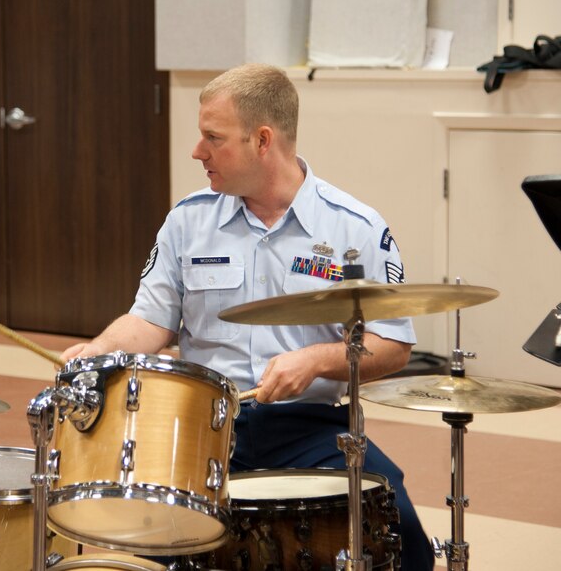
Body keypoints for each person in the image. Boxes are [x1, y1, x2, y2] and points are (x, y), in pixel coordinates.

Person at [61, 64, 433, 570]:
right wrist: (98, 351)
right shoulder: (188, 220)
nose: (198, 152)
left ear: (263, 140)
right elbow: (150, 320)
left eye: (213, 138)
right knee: (144, 535)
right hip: (202, 432)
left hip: (312, 431)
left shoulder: (354, 229)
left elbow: (393, 345)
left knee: (399, 526)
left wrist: (318, 359)